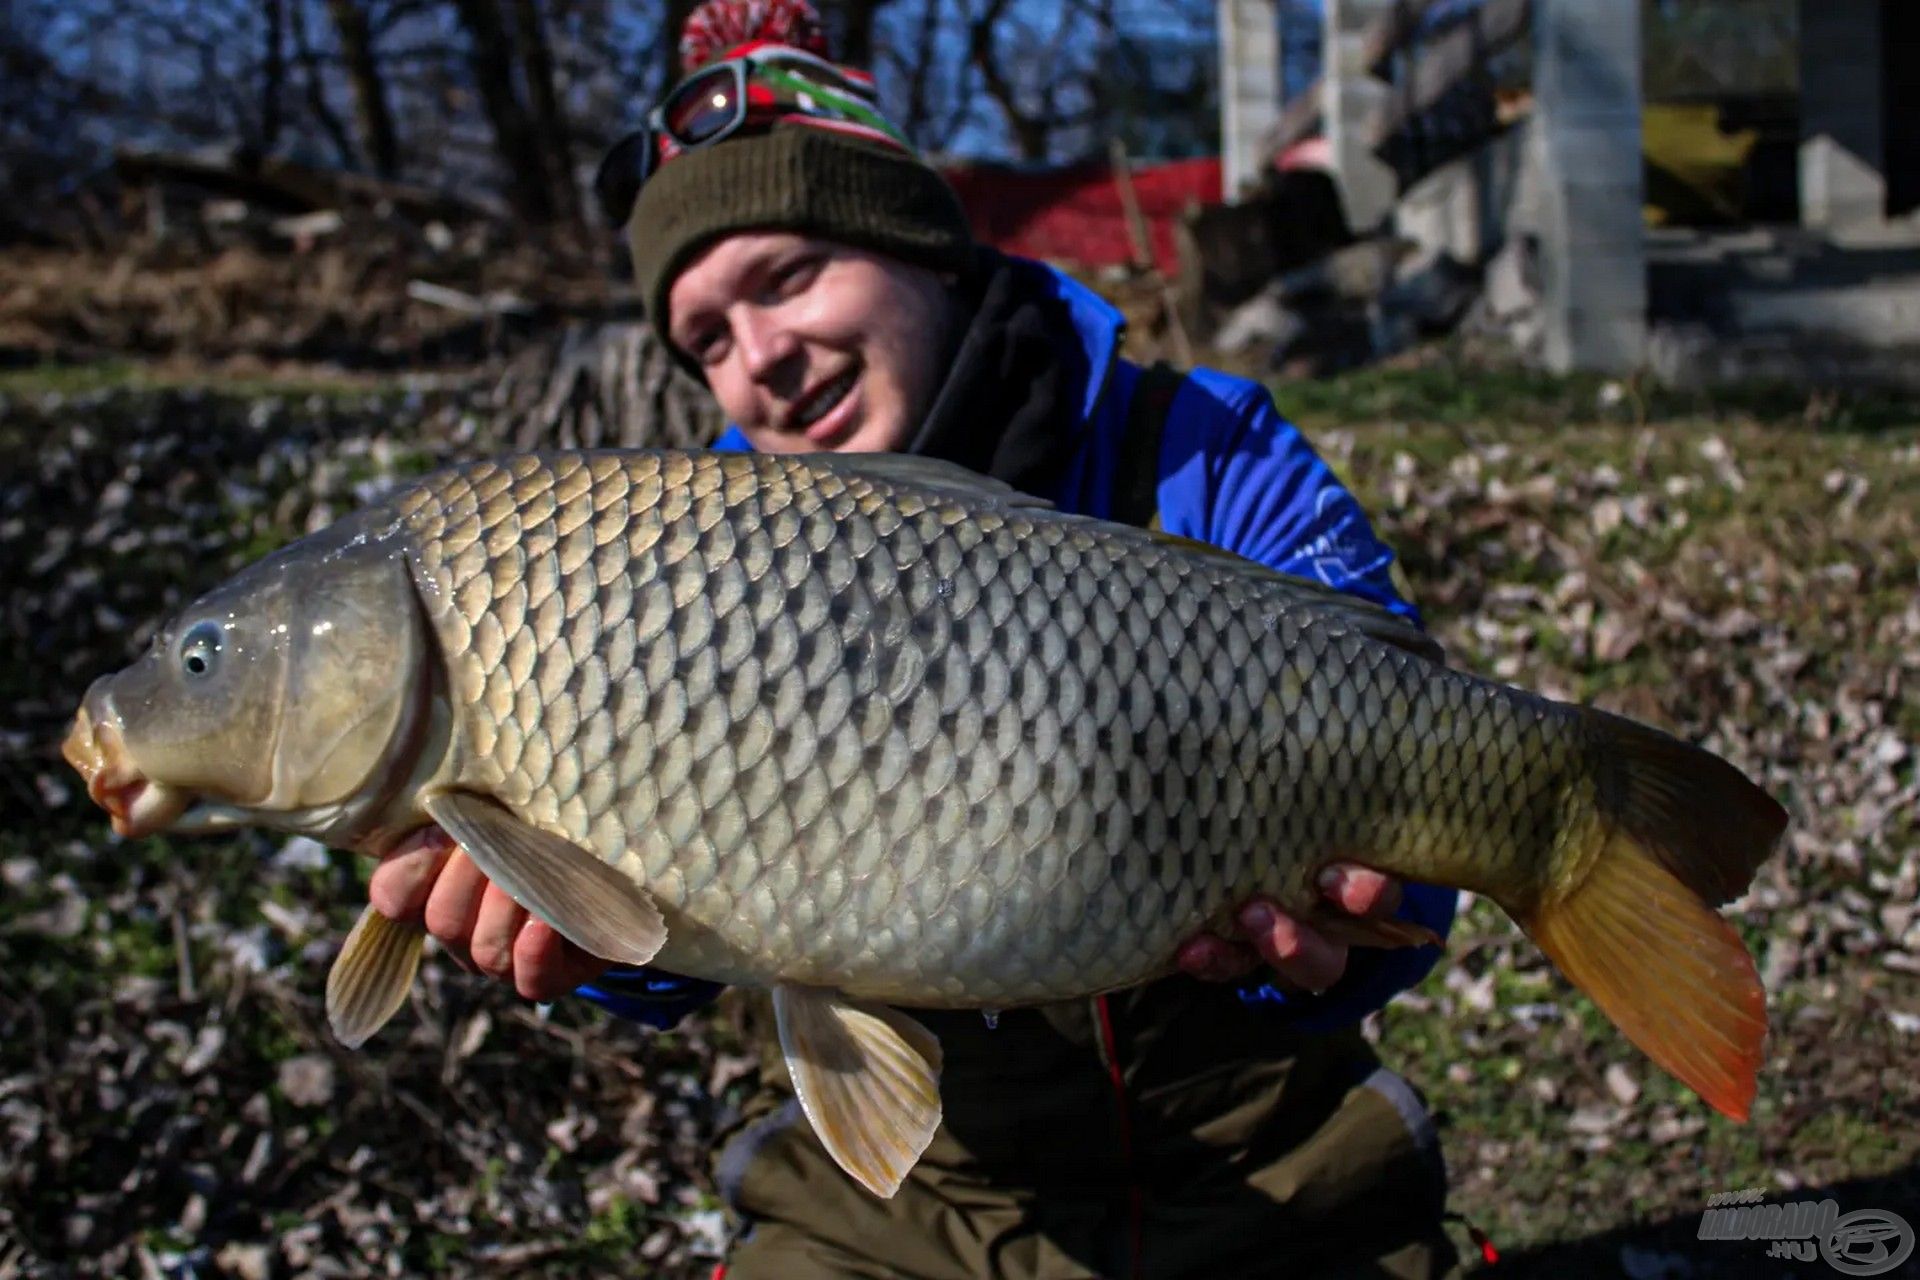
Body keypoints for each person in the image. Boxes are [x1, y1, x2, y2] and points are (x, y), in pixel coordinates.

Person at [369, 3, 1462, 1275]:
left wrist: (1310, 956)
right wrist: (562, 926)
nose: (758, 361)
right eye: (706, 340)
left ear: (924, 249)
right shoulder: (665, 562)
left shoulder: (1203, 448)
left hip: (1271, 1165)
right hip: (916, 1201)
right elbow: (660, 937)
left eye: (785, 278)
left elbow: (1420, 836)